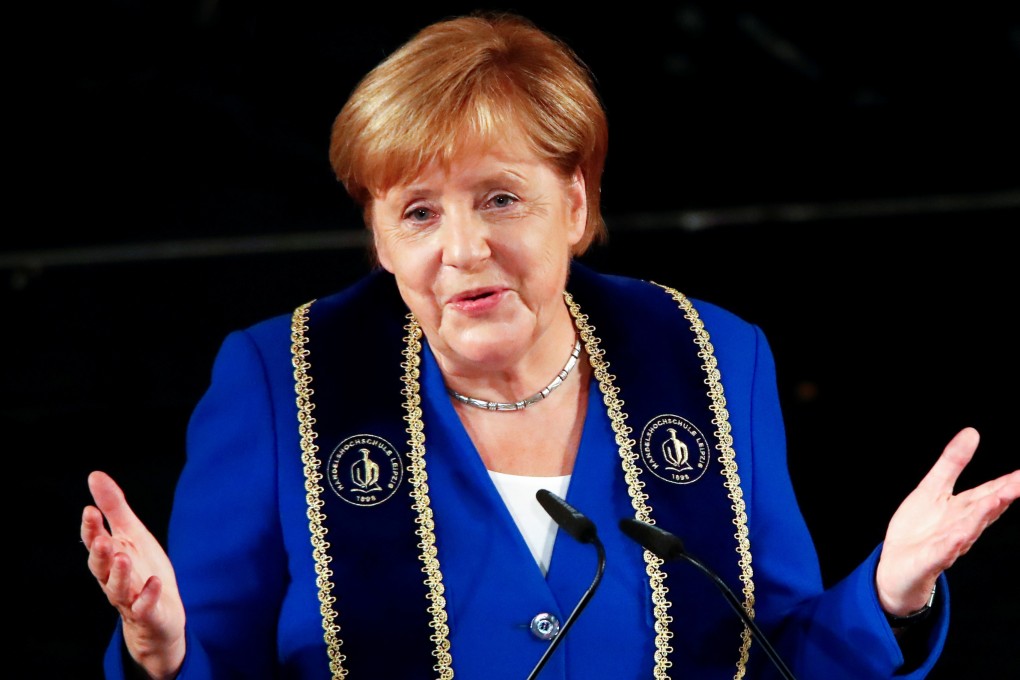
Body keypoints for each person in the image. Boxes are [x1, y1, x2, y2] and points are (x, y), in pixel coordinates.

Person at [82, 11, 1019, 680]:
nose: (463, 249)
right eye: (418, 212)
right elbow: (217, 661)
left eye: (500, 198)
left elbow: (776, 656)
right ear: (379, 240)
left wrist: (888, 593)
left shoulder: (709, 360)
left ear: (574, 204)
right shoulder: (281, 382)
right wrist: (162, 651)